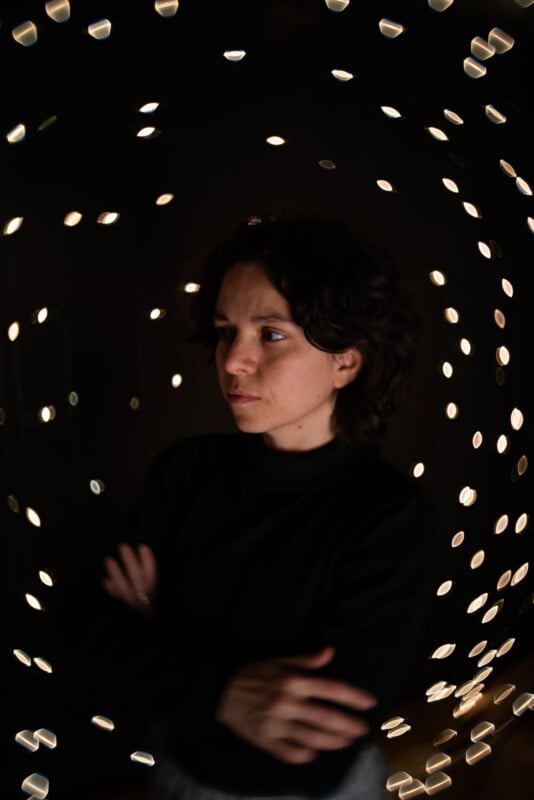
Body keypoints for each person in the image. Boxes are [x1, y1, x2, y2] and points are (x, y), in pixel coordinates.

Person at [56, 216, 438, 800]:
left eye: (271, 334)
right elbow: (81, 624)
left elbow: (310, 748)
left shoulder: (389, 517)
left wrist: (154, 632)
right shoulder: (185, 472)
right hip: (174, 778)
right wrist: (225, 692)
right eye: (224, 331)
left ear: (346, 361)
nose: (233, 360)